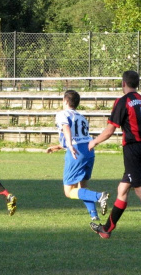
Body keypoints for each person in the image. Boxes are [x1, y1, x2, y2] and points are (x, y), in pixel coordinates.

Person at [88, 71, 141, 242]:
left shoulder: (123, 101)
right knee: (123, 189)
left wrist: (94, 142)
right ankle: (106, 229)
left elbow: (110, 130)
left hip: (132, 150)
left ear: (123, 84)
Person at [46, 90, 109, 221]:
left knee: (69, 192)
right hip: (89, 151)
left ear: (65, 101)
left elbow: (66, 128)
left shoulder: (62, 114)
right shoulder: (81, 117)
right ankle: (94, 216)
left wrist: (69, 145)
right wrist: (58, 147)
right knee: (83, 187)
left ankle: (99, 196)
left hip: (76, 152)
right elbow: (80, 138)